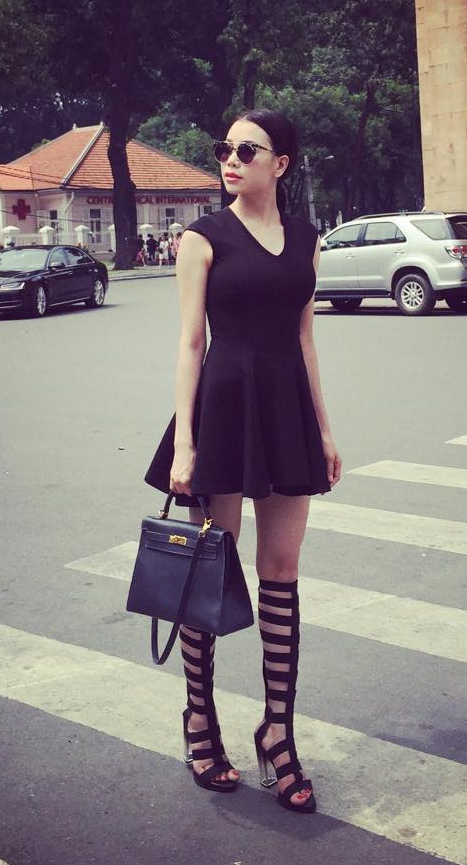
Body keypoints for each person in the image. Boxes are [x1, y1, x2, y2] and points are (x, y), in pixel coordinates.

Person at [145, 108, 341, 814]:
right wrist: (186, 443)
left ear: (280, 163)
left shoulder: (307, 240)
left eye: (246, 150)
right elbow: (189, 343)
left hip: (286, 410)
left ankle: (276, 734)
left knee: (281, 572)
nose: (230, 159)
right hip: (224, 410)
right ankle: (200, 720)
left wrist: (324, 430)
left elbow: (306, 339)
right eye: (224, 148)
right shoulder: (203, 238)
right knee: (211, 569)